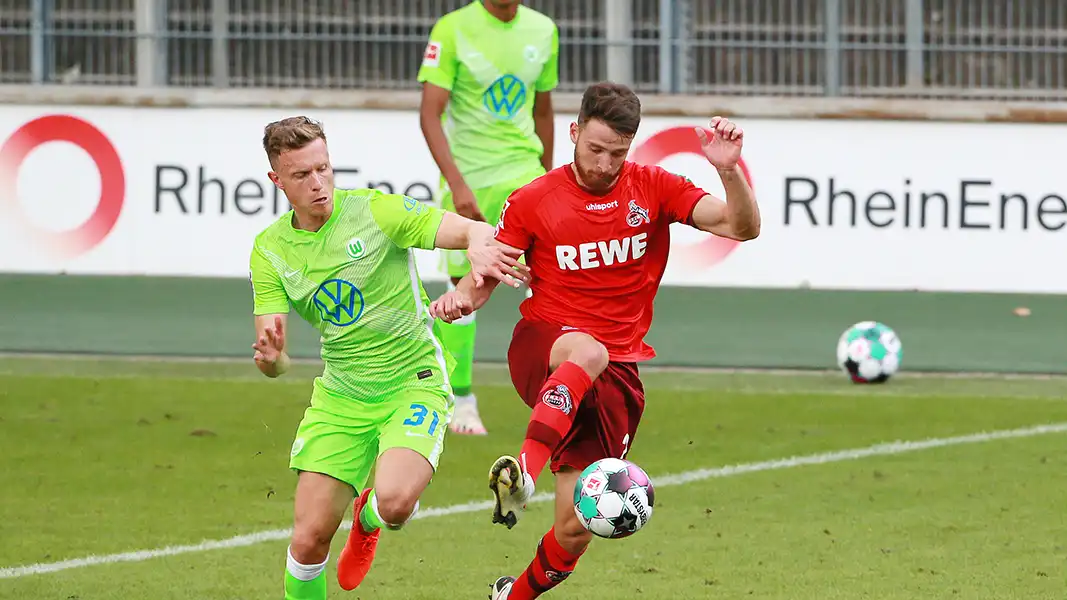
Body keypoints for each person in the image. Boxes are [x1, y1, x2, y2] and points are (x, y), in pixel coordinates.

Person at [428, 82, 761, 600]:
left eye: (618, 153)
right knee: (588, 350)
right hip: (545, 346)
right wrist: (462, 300)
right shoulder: (534, 199)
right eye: (595, 149)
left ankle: (511, 596)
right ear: (574, 132)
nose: (605, 164)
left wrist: (726, 169)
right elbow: (488, 277)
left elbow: (742, 226)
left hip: (615, 374)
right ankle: (523, 476)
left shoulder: (655, 186)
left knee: (576, 528)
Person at [247, 116, 528, 600]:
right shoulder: (270, 251)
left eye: (323, 169)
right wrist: (272, 359)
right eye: (301, 175)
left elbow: (473, 230)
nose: (318, 184)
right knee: (309, 538)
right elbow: (278, 363)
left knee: (395, 503)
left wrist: (480, 250)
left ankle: (369, 517)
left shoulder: (377, 212)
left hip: (412, 381)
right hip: (341, 396)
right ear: (276, 180)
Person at [417, 0, 559, 435]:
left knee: (555, 279)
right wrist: (457, 185)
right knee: (466, 286)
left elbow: (542, 111)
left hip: (525, 174)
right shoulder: (452, 28)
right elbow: (430, 114)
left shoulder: (544, 30)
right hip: (472, 181)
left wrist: (552, 181)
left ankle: (563, 394)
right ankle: (460, 398)